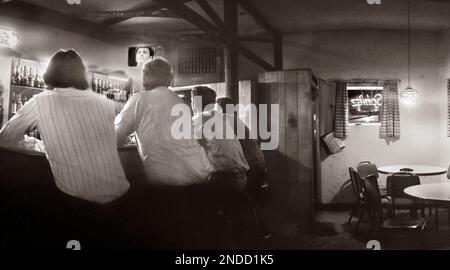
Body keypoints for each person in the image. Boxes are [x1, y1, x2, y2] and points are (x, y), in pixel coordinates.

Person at [0, 49, 131, 248]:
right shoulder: (105, 104)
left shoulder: (41, 101)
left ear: (50, 73)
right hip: (121, 199)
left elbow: (5, 138)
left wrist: (37, 143)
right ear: (81, 74)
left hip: (78, 204)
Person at [115, 57, 213, 248]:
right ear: (169, 78)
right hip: (202, 181)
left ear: (146, 75)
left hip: (170, 190)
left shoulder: (140, 99)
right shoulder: (180, 102)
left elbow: (115, 138)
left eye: (143, 72)